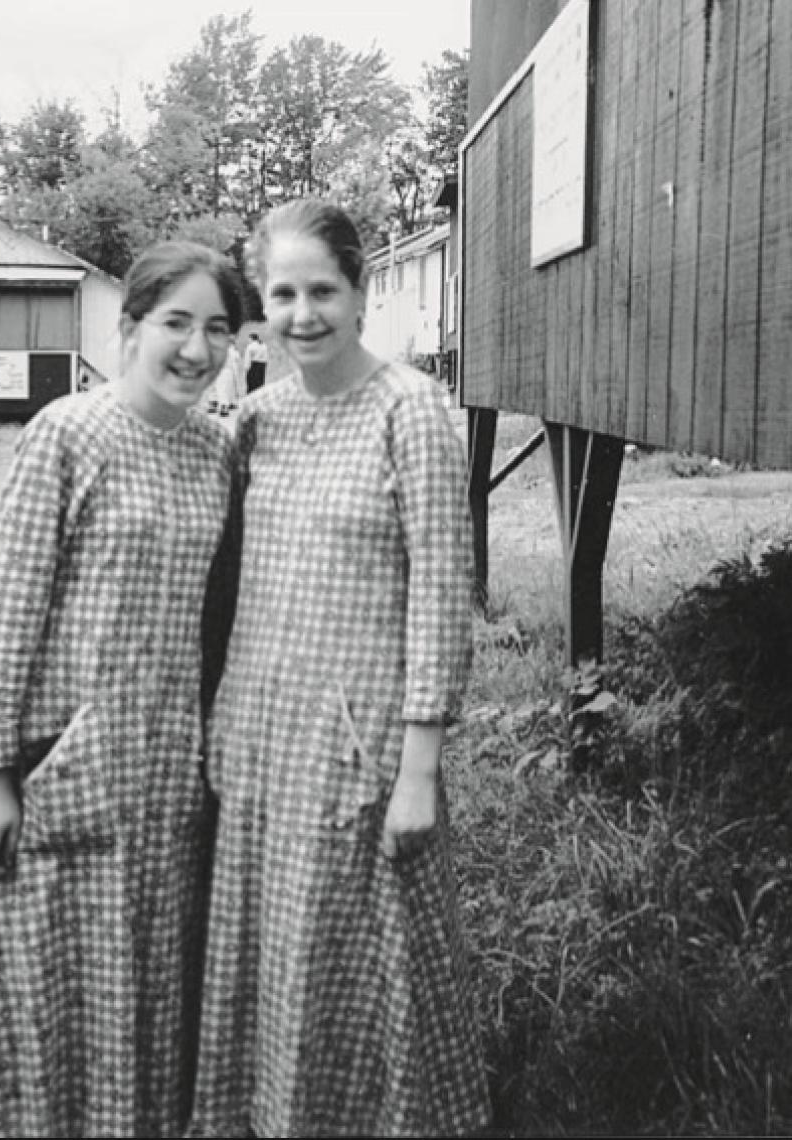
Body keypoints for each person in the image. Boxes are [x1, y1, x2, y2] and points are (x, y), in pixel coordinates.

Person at [190, 199, 492, 1138]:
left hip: (362, 751)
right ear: (260, 308)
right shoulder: (255, 422)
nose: (302, 314)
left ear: (361, 295)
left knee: (372, 962)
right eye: (281, 294)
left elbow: (443, 589)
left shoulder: (412, 410)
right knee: (276, 954)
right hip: (259, 741)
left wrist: (419, 769)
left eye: (322, 290)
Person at [0, 241, 244, 1138]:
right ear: (128, 327)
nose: (196, 348)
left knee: (142, 1001)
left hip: (165, 789)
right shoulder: (65, 433)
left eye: (218, 328)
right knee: (35, 1001)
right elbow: (0, 612)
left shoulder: (218, 453)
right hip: (57, 776)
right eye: (176, 322)